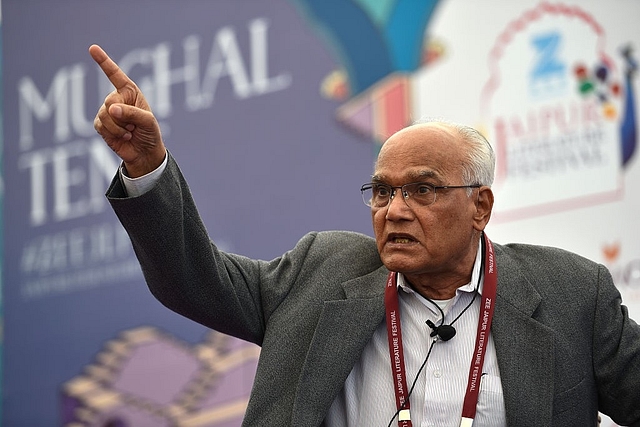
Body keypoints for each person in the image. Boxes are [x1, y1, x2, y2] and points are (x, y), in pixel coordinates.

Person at [89, 44, 640, 427]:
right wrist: (148, 165)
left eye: (421, 191)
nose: (393, 211)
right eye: (381, 192)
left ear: (481, 206)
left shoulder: (573, 293)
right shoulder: (320, 271)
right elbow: (194, 279)